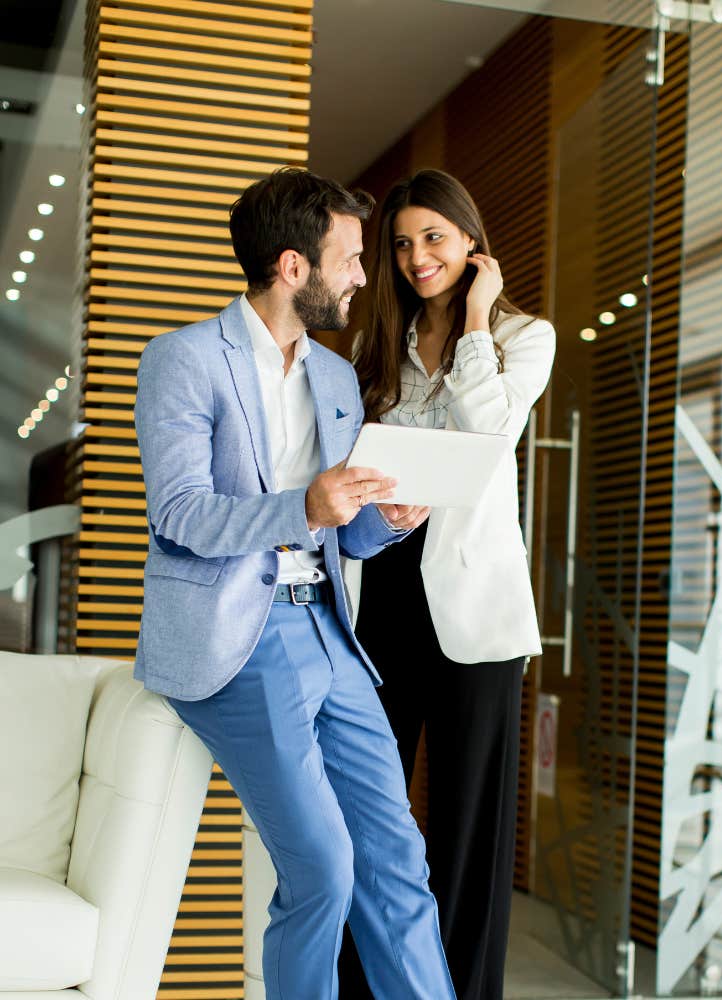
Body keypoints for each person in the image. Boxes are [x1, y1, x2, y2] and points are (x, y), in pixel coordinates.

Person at [133, 167, 456, 1000]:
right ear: (292, 268)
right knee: (323, 867)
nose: (361, 275)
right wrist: (301, 505)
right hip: (238, 637)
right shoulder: (183, 360)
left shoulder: (338, 379)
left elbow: (341, 529)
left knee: (397, 861)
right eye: (348, 259)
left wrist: (386, 521)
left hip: (331, 633)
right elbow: (179, 513)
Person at [339, 169, 556, 1000]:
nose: (416, 256)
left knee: (467, 830)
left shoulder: (525, 336)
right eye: (401, 243)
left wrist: (473, 318)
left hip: (474, 610)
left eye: (433, 237)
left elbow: (489, 429)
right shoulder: (376, 347)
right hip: (384, 594)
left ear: (470, 239)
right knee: (370, 818)